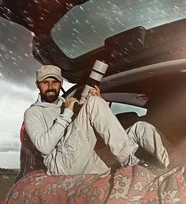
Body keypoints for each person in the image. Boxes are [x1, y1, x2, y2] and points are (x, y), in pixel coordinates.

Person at [23, 64, 171, 175]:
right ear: (37, 85)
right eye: (45, 82)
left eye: (54, 82)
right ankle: (132, 163)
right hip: (62, 166)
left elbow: (102, 130)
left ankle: (173, 166)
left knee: (140, 128)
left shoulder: (70, 103)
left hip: (89, 160)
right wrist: (67, 114)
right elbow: (44, 147)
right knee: (93, 103)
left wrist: (99, 103)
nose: (50, 86)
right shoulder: (33, 113)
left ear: (61, 83)